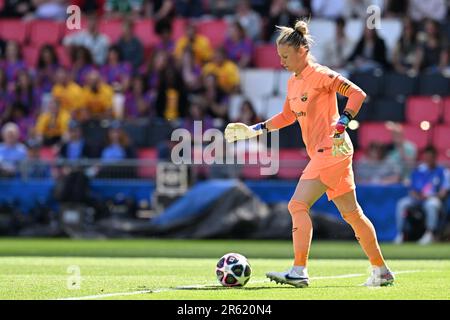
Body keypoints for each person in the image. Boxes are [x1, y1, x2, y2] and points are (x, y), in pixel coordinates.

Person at [224, 19, 394, 287]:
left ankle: (299, 270)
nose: (281, 61)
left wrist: (343, 121)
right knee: (353, 215)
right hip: (330, 153)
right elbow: (286, 116)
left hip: (331, 149)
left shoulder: (321, 75)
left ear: (302, 52)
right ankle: (381, 271)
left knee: (297, 205)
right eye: (280, 56)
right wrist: (254, 129)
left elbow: (357, 95)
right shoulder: (293, 83)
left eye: (285, 56)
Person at [395, 146, 450, 245]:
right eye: (426, 157)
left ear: (435, 157)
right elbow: (412, 189)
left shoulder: (443, 172)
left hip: (433, 199)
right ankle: (401, 233)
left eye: (430, 157)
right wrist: (417, 196)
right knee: (402, 203)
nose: (428, 160)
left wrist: (432, 196)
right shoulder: (418, 171)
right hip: (417, 199)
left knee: (431, 205)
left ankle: (430, 234)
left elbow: (443, 192)